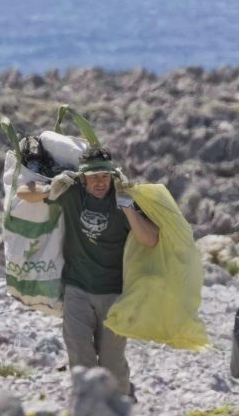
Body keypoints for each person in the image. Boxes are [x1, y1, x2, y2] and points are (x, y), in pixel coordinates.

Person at [17, 146, 159, 396]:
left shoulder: (123, 200)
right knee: (81, 358)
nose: (99, 182)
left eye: (104, 176)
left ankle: (123, 402)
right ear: (83, 177)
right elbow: (23, 193)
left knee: (112, 365)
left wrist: (128, 208)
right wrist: (51, 188)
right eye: (93, 176)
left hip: (115, 295)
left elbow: (150, 239)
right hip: (77, 290)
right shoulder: (72, 194)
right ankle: (89, 409)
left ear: (112, 175)